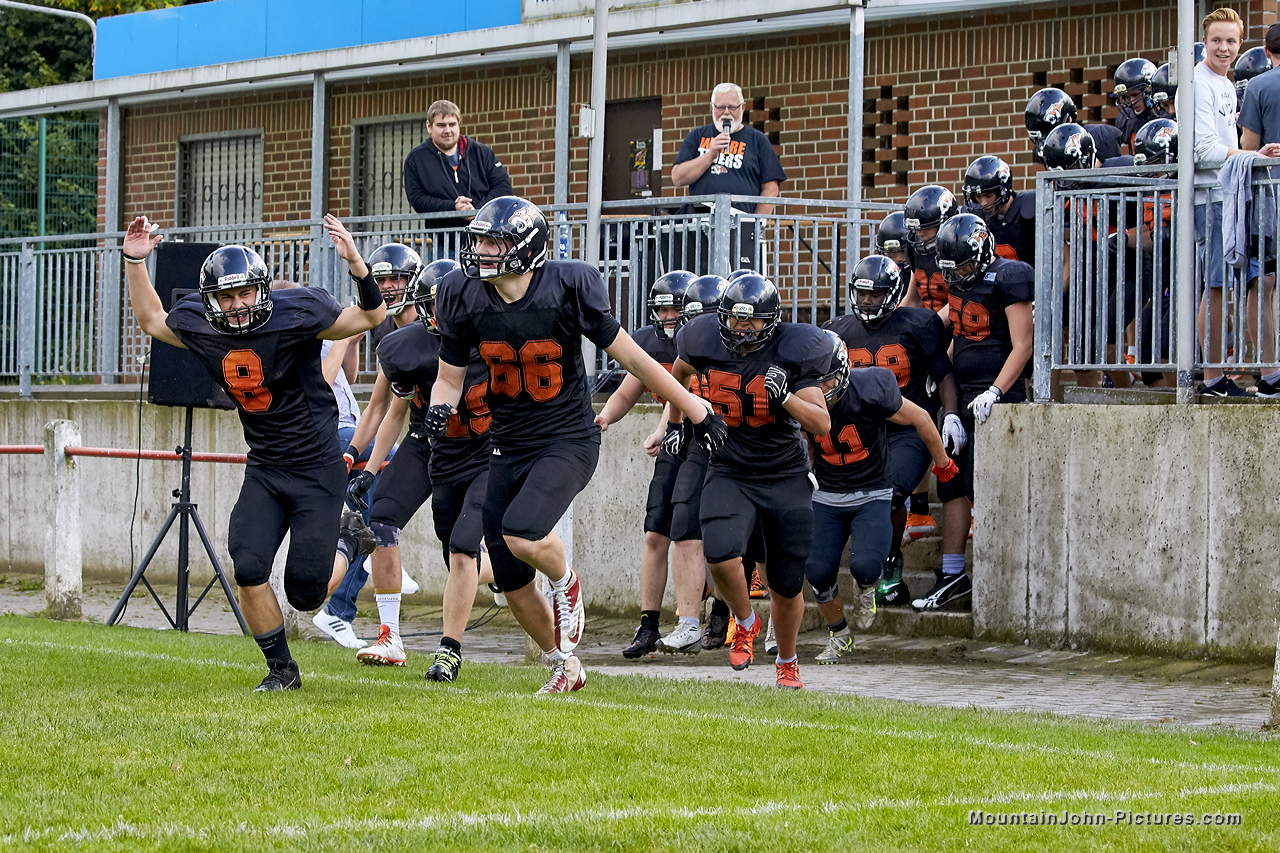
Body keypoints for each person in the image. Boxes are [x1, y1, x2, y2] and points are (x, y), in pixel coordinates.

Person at [428, 195, 726, 694]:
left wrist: (696, 409)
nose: (480, 251)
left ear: (526, 248)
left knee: (522, 532)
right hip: (508, 441)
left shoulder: (566, 286)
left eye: (493, 243)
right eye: (478, 241)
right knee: (509, 574)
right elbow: (448, 378)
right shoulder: (462, 293)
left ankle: (565, 580)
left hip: (566, 437)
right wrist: (441, 406)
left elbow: (635, 359)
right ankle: (563, 664)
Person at [123, 213, 387, 691]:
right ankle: (282, 669)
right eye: (227, 297)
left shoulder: (297, 312)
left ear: (262, 290)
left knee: (305, 593)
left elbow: (370, 317)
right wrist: (135, 261)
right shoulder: (204, 325)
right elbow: (151, 320)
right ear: (211, 301)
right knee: (248, 567)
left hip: (316, 468)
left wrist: (357, 265)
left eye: (245, 293)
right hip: (265, 466)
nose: (238, 305)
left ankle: (349, 540)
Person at [671, 274, 831, 689]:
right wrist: (675, 422)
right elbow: (677, 375)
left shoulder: (794, 350)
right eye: (735, 319)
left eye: (751, 321)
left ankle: (787, 661)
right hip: (730, 467)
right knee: (720, 553)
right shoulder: (703, 340)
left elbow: (821, 423)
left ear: (770, 321)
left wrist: (787, 398)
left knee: (786, 581)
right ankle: (745, 622)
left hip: (784, 474)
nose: (741, 329)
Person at [804, 329, 957, 662]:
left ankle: (866, 586)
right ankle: (839, 634)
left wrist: (943, 463)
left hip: (871, 491)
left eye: (826, 380)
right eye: (814, 380)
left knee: (866, 566)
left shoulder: (869, 388)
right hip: (827, 493)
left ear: (843, 372)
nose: (821, 388)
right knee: (817, 572)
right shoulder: (801, 396)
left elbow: (920, 417)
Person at [825, 255, 958, 609]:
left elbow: (943, 373)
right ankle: (876, 559)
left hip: (908, 429)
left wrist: (950, 414)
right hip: (862, 430)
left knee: (891, 493)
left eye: (875, 294)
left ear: (894, 292)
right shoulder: (839, 330)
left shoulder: (919, 323)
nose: (867, 301)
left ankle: (889, 561)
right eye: (862, 294)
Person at [919, 213, 1033, 611]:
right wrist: (943, 375)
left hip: (997, 398)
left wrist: (996, 390)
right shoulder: (958, 280)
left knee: (987, 486)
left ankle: (999, 578)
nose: (959, 274)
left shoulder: (1009, 277)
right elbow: (960, 333)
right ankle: (953, 575)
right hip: (963, 395)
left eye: (965, 266)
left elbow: (1023, 344)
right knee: (952, 483)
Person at [313, 243, 423, 645]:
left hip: (466, 436)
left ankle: (342, 607)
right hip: (416, 438)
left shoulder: (427, 325)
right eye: (382, 280)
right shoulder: (387, 333)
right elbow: (382, 406)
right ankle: (370, 620)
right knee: (378, 517)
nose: (388, 286)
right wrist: (354, 456)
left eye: (396, 279)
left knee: (470, 545)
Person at [595, 270, 708, 658]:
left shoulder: (708, 342)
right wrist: (605, 417)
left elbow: (686, 392)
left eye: (676, 310)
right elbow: (628, 391)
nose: (669, 318)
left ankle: (714, 616)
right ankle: (648, 625)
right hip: (676, 439)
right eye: (662, 311)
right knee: (654, 533)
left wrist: (665, 427)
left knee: (695, 532)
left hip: (706, 439)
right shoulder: (649, 341)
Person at [1192, 8, 1280, 396]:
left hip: (1230, 194)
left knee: (1235, 284)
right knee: (1215, 287)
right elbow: (1204, 149)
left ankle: (1261, 373)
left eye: (1230, 41)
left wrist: (1251, 156)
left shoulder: (1227, 85)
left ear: (1241, 43)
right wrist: (1253, 156)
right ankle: (1212, 378)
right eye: (1216, 40)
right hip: (1210, 197)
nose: (1223, 48)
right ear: (1205, 42)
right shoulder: (1197, 83)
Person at [671, 83, 786, 271]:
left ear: (742, 107)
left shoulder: (757, 140)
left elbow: (771, 187)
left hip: (740, 228)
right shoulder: (697, 136)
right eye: (720, 107)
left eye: (732, 107)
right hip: (699, 229)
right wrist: (710, 154)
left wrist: (756, 224)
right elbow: (678, 178)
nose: (726, 113)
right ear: (712, 107)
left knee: (738, 282)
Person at [403, 99, 512, 228]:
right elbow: (418, 199)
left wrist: (477, 210)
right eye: (441, 125)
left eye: (452, 124)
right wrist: (453, 207)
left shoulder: (482, 152)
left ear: (459, 124)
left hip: (485, 233)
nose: (448, 130)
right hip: (444, 236)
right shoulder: (416, 159)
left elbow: (503, 187)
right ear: (429, 126)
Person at [963, 155, 1036, 265]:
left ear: (1003, 191)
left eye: (988, 195)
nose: (983, 203)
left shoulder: (1029, 208)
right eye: (978, 196)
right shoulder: (978, 217)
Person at [901, 184, 959, 315]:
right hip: (928, 320)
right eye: (917, 228)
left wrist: (931, 324)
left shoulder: (958, 249)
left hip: (956, 322)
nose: (920, 233)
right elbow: (913, 299)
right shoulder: (914, 249)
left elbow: (960, 301)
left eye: (926, 227)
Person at [1111, 58, 1157, 153]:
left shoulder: (1163, 115)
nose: (1132, 101)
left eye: (1135, 95)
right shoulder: (1126, 118)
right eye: (1126, 97)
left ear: (1149, 91)